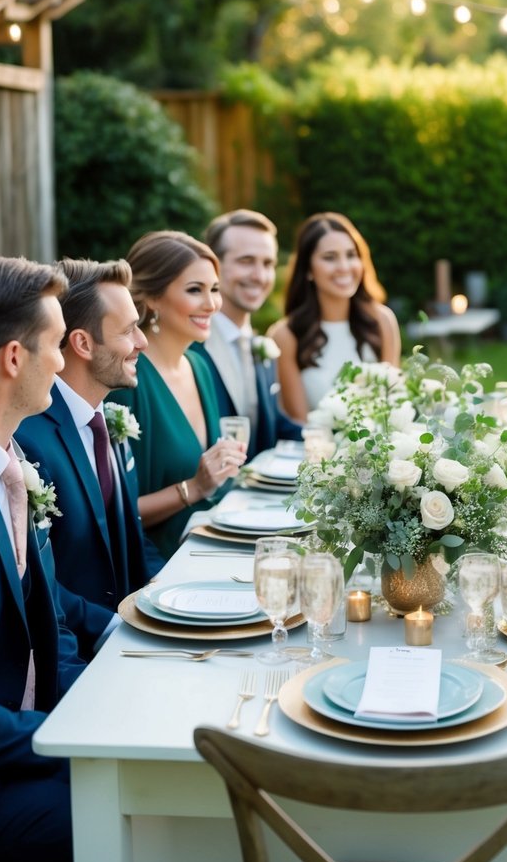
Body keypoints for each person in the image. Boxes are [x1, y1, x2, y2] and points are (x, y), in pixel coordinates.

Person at [0, 256, 85, 862]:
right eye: (55, 346)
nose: (64, 361)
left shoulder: (12, 467)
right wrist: (67, 733)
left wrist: (97, 698)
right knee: (156, 809)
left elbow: (49, 623)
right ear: (14, 358)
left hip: (25, 743)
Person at [17, 258, 160, 632]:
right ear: (82, 343)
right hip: (78, 653)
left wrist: (171, 598)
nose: (142, 341)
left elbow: (132, 536)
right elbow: (38, 583)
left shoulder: (108, 421)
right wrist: (114, 628)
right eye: (129, 330)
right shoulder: (28, 442)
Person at [108, 231, 246, 561]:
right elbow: (114, 513)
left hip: (212, 544)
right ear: (153, 298)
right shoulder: (127, 382)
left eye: (214, 289)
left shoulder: (198, 366)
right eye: (194, 290)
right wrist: (193, 489)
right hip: (158, 564)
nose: (211, 304)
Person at [269, 212, 401, 420]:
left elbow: (394, 405)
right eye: (330, 257)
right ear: (308, 270)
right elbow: (299, 422)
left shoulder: (382, 321)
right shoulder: (285, 335)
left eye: (351, 255)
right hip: (316, 449)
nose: (344, 267)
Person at [196, 209, 301, 459]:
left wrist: (339, 439)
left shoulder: (260, 346)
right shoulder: (191, 348)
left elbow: (273, 426)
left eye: (268, 264)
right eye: (246, 261)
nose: (259, 276)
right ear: (213, 267)